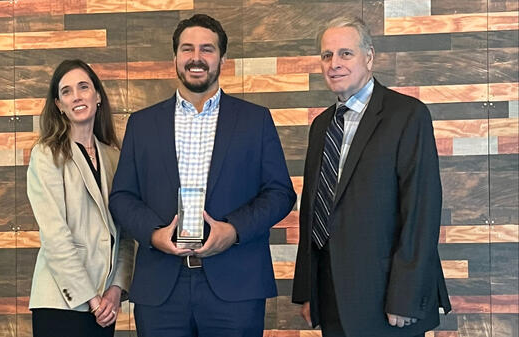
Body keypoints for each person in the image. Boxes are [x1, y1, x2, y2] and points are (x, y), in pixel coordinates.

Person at [109, 13, 296, 337]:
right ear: (175, 58)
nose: (196, 57)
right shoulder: (142, 124)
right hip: (161, 289)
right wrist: (154, 235)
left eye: (207, 49)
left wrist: (233, 230)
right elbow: (122, 197)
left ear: (222, 58)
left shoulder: (255, 120)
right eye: (187, 49)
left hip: (235, 286)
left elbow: (280, 193)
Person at [292, 16, 452, 337]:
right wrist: (308, 289)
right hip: (331, 294)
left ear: (369, 57)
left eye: (345, 54)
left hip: (387, 298)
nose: (334, 64)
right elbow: (313, 212)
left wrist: (406, 296)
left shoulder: (407, 115)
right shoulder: (322, 126)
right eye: (327, 55)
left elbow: (421, 211)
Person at [26, 59, 134, 337]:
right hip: (62, 302)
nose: (76, 96)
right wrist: (92, 299)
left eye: (83, 87)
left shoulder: (114, 157)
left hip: (104, 304)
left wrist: (115, 290)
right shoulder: (46, 154)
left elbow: (124, 233)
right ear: (59, 105)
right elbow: (54, 235)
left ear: (97, 96)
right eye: (66, 91)